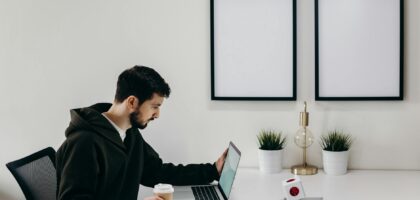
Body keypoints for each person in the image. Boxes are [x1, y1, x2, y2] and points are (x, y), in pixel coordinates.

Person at [56, 66, 227, 200]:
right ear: (132, 102)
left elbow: (157, 172)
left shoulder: (130, 135)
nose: (157, 115)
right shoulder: (84, 142)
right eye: (155, 106)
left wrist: (212, 170)